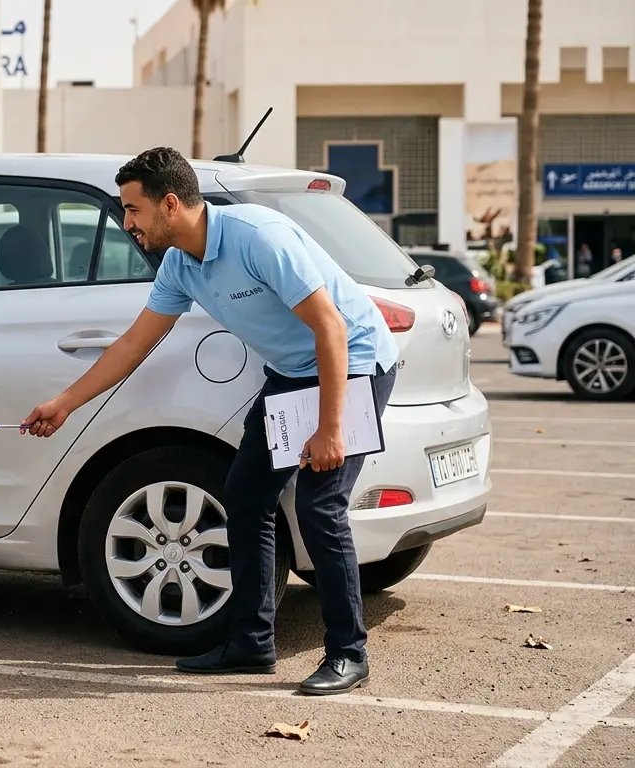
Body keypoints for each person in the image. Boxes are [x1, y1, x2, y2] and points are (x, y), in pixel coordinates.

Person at [21, 147, 399, 696]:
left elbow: (331, 329)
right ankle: (251, 643)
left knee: (320, 508)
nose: (126, 222)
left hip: (353, 363)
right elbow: (132, 345)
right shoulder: (180, 264)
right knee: (245, 494)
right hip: (294, 372)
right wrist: (65, 403)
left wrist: (330, 428)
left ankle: (348, 653)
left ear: (170, 204)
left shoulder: (258, 238)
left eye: (133, 209)